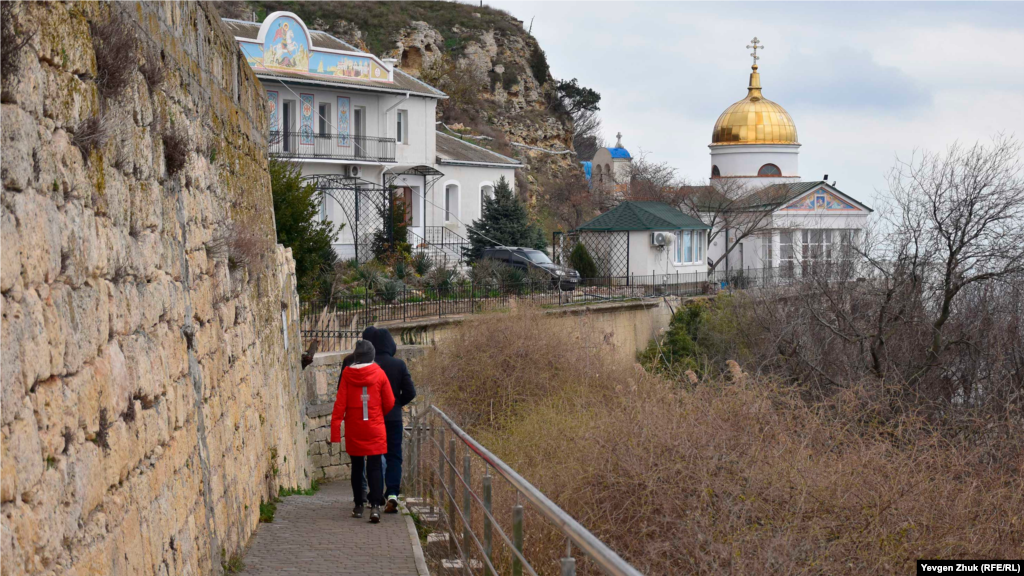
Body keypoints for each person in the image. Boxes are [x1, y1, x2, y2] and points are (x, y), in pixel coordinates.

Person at [330, 340, 394, 523]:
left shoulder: (347, 375)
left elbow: (339, 404)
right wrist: (377, 414)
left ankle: (358, 505)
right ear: (372, 355)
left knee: (357, 467)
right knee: (375, 467)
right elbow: (389, 402)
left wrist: (335, 432)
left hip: (354, 428)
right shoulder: (380, 374)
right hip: (375, 428)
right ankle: (375, 507)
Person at [361, 326, 417, 514]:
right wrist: (397, 403)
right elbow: (411, 391)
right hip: (393, 417)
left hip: (372, 418)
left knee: (374, 457)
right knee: (394, 456)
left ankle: (374, 496)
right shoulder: (398, 364)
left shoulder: (367, 365)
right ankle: (392, 493)